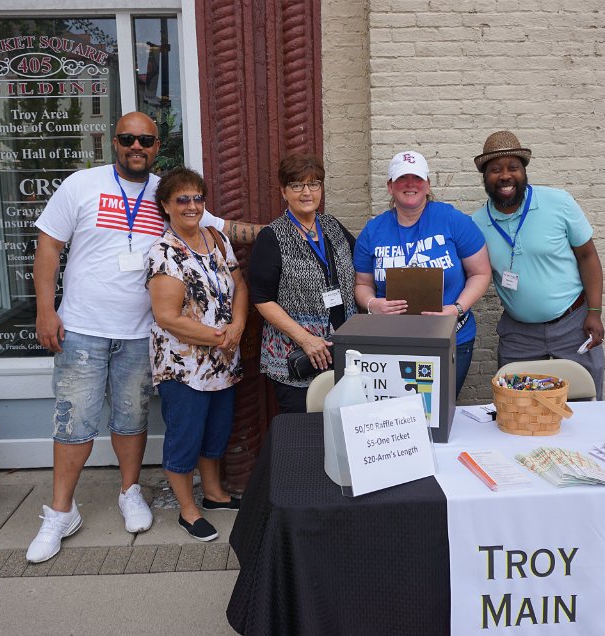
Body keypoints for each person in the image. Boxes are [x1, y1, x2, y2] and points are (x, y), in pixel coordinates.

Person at [28, 111, 261, 563]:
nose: (137, 147)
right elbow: (48, 247)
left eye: (146, 140)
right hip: (83, 325)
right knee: (74, 421)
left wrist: (284, 230)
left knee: (131, 420)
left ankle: (130, 491)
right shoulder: (82, 184)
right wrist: (45, 310)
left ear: (158, 146)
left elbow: (225, 229)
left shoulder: (167, 193)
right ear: (115, 142)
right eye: (127, 139)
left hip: (140, 332)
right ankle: (60, 512)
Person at [147, 167, 246, 541]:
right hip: (183, 366)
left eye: (198, 198)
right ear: (167, 206)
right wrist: (218, 336)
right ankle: (188, 510)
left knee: (216, 432)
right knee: (185, 436)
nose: (192, 205)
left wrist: (236, 327)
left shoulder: (217, 238)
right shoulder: (164, 253)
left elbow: (238, 282)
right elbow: (166, 316)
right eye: (182, 199)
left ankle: (215, 495)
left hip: (223, 359)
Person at [470, 130, 605, 399]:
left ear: (524, 171)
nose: (505, 176)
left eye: (513, 168)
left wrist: (595, 311)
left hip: (574, 325)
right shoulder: (476, 224)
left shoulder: (558, 202)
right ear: (485, 177)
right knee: (516, 406)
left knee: (584, 404)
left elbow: (588, 256)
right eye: (495, 169)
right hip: (518, 334)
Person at [353, 151, 491, 393]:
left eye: (416, 178)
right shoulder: (373, 231)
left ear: (427, 185)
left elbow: (480, 274)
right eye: (402, 178)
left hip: (451, 338)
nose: (410, 184)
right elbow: (362, 283)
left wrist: (457, 309)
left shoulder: (453, 221)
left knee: (440, 413)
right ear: (390, 186)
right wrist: (372, 304)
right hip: (393, 342)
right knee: (399, 412)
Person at [249, 153, 357, 413]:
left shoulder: (331, 226)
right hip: (298, 357)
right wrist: (306, 339)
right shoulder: (272, 237)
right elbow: (262, 298)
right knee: (305, 439)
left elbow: (360, 267)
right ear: (284, 192)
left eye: (314, 184)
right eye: (297, 185)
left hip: (340, 352)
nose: (306, 192)